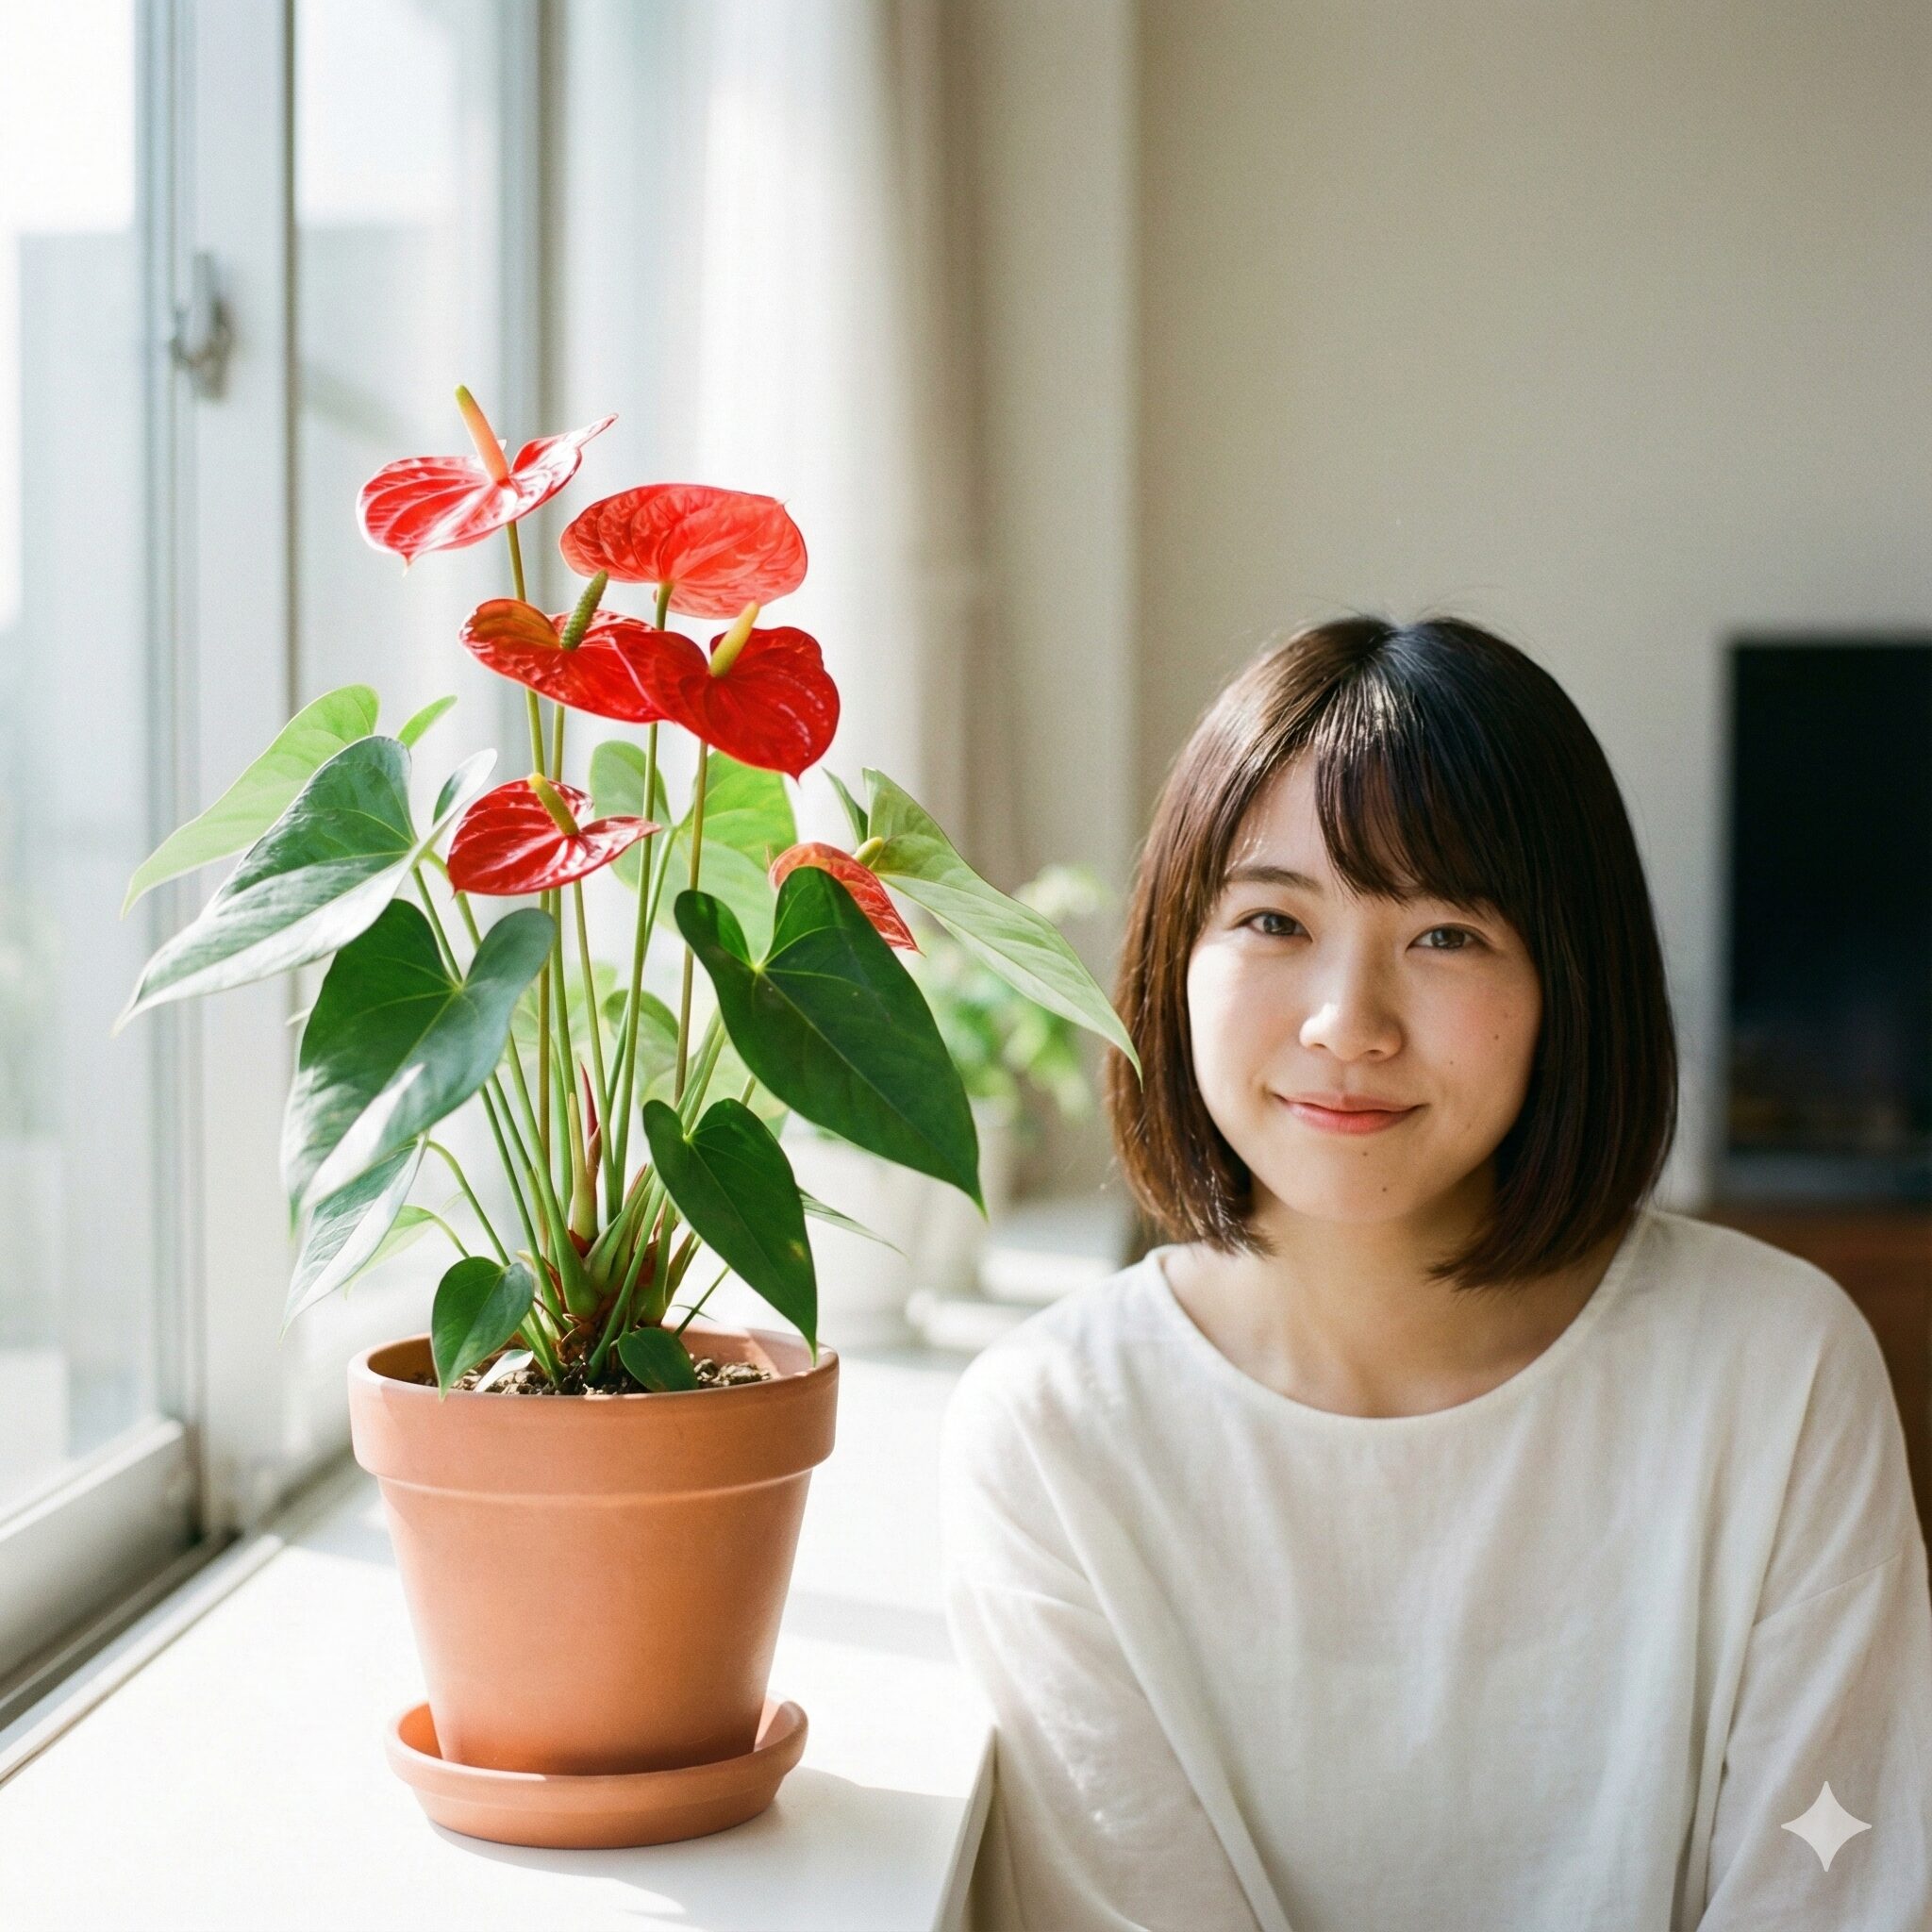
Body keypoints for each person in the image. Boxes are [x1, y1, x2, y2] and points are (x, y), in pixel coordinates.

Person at [939, 615, 1932, 1931]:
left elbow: (1832, 1890)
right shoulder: (1054, 1431)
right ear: (1175, 955)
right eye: (1274, 917)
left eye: (1447, 934)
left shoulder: (1775, 1367)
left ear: (1571, 983)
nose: (1348, 1020)